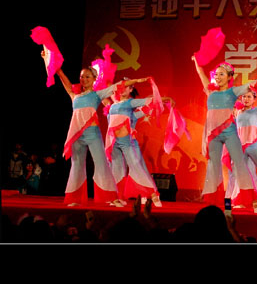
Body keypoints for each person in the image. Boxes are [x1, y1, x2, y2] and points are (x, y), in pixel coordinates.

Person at [46, 50, 145, 207]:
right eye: (82, 77)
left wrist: (136, 80)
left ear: (94, 79)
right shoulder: (74, 95)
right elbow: (63, 79)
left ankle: (111, 197)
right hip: (76, 134)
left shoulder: (97, 94)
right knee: (77, 165)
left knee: (101, 164)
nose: (83, 79)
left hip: (92, 133)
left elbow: (117, 86)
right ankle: (74, 199)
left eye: (87, 77)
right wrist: (52, 63)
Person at [192, 56, 257, 213]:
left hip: (230, 132)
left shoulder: (233, 92)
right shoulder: (210, 91)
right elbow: (200, 73)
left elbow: (254, 83)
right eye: (216, 74)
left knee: (239, 167)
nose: (217, 77)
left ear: (230, 77)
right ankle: (217, 204)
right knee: (213, 168)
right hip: (213, 134)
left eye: (221, 74)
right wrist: (197, 62)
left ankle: (254, 201)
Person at [106, 79, 172, 207]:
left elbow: (149, 101)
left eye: (126, 87)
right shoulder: (113, 105)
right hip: (113, 142)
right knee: (117, 170)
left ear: (131, 89)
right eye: (121, 87)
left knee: (137, 166)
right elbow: (106, 90)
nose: (122, 89)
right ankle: (119, 197)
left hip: (127, 141)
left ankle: (152, 194)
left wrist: (166, 99)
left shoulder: (130, 103)